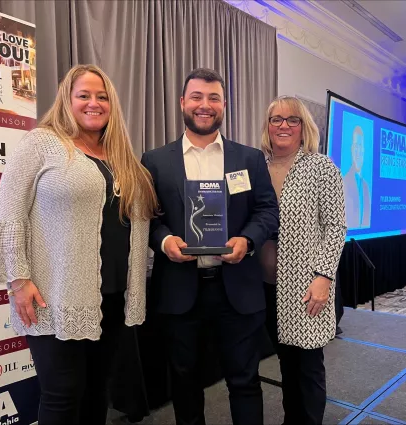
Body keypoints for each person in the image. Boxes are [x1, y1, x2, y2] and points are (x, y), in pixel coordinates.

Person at [0, 64, 158, 425]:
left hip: (110, 298)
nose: (94, 103)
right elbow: (8, 213)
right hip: (54, 297)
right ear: (67, 99)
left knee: (97, 393)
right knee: (62, 396)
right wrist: (18, 279)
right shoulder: (42, 143)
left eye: (102, 97)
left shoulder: (121, 154)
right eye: (84, 95)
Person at [141, 68, 279, 425]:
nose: (205, 105)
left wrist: (247, 240)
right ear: (183, 102)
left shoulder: (248, 159)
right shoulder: (155, 160)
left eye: (214, 98)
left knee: (245, 381)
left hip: (237, 288)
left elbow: (266, 211)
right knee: (185, 383)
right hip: (179, 290)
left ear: (224, 105)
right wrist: (165, 240)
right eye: (198, 97)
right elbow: (147, 218)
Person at [261, 96, 346, 425]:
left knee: (309, 365)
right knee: (286, 362)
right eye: (276, 119)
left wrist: (324, 277)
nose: (283, 125)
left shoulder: (321, 167)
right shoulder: (258, 169)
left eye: (292, 119)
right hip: (267, 287)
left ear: (303, 127)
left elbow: (336, 227)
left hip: (308, 285)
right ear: (267, 127)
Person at [343, 125, 371, 228]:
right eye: (356, 147)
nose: (358, 152)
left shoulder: (365, 187)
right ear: (351, 149)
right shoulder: (343, 183)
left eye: (360, 147)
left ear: (364, 150)